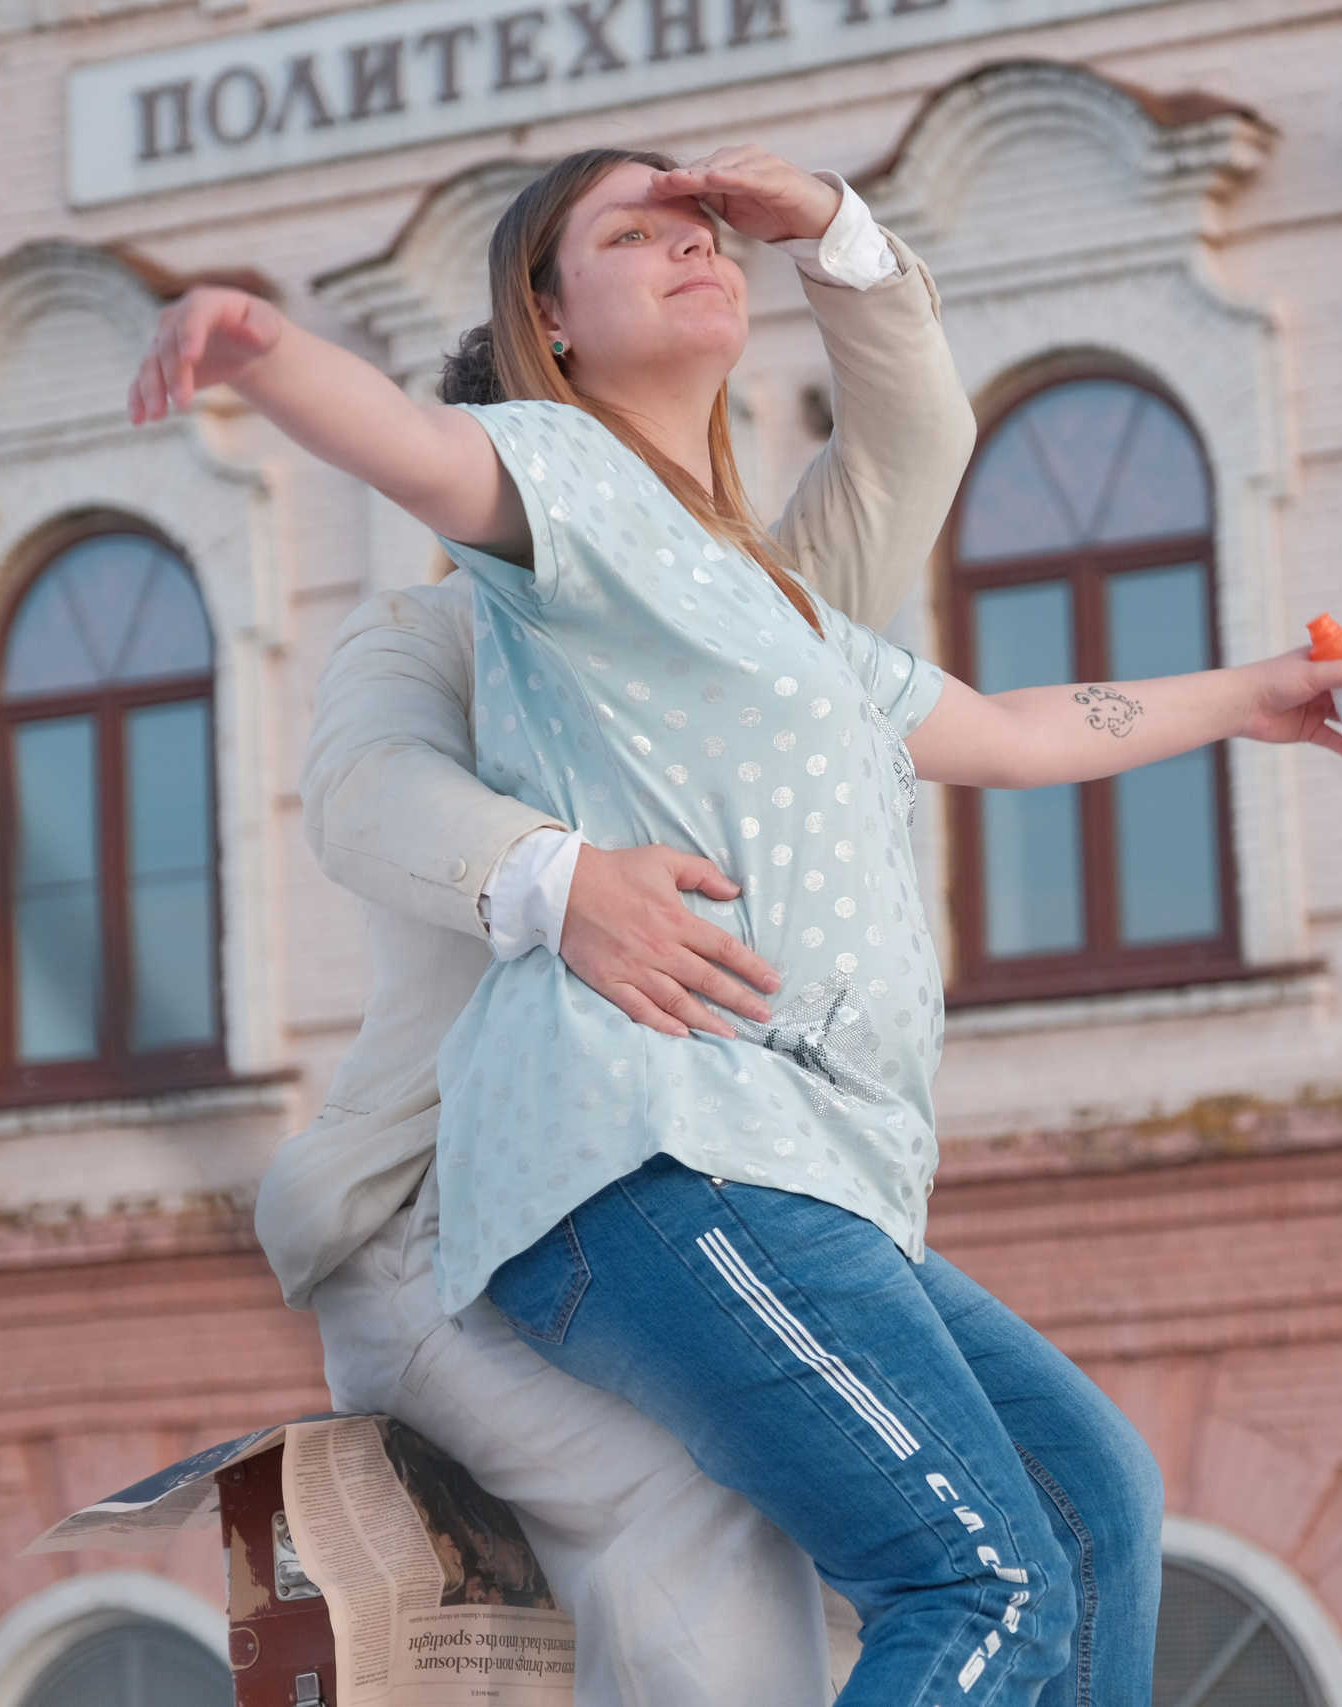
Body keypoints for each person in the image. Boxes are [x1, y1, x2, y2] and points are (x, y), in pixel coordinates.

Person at [132, 142, 1342, 1705]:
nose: (691, 250)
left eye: (699, 229)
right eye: (633, 237)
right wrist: (262, 347)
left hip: (802, 1161)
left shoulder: (777, 608)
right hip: (628, 1153)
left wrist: (1259, 693)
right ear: (546, 333)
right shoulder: (543, 507)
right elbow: (408, 494)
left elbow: (1011, 724)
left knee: (1094, 1502)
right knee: (960, 1576)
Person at [251, 150, 972, 1705]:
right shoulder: (434, 630)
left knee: (1005, 1517)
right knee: (703, 1517)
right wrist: (556, 876)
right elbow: (367, 793)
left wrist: (836, 237)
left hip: (679, 1190)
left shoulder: (744, 622)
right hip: (447, 1232)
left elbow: (908, 451)